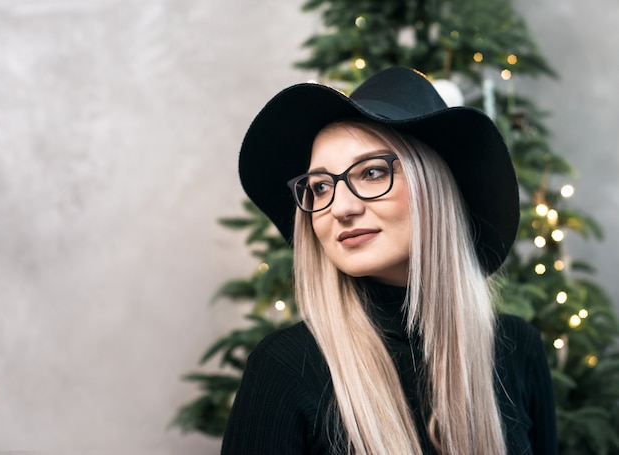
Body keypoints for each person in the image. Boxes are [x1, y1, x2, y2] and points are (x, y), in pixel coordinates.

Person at [221, 67, 557, 455]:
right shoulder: (285, 367)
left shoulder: (516, 349)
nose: (342, 208)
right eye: (320, 187)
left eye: (372, 172)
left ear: (433, 187)